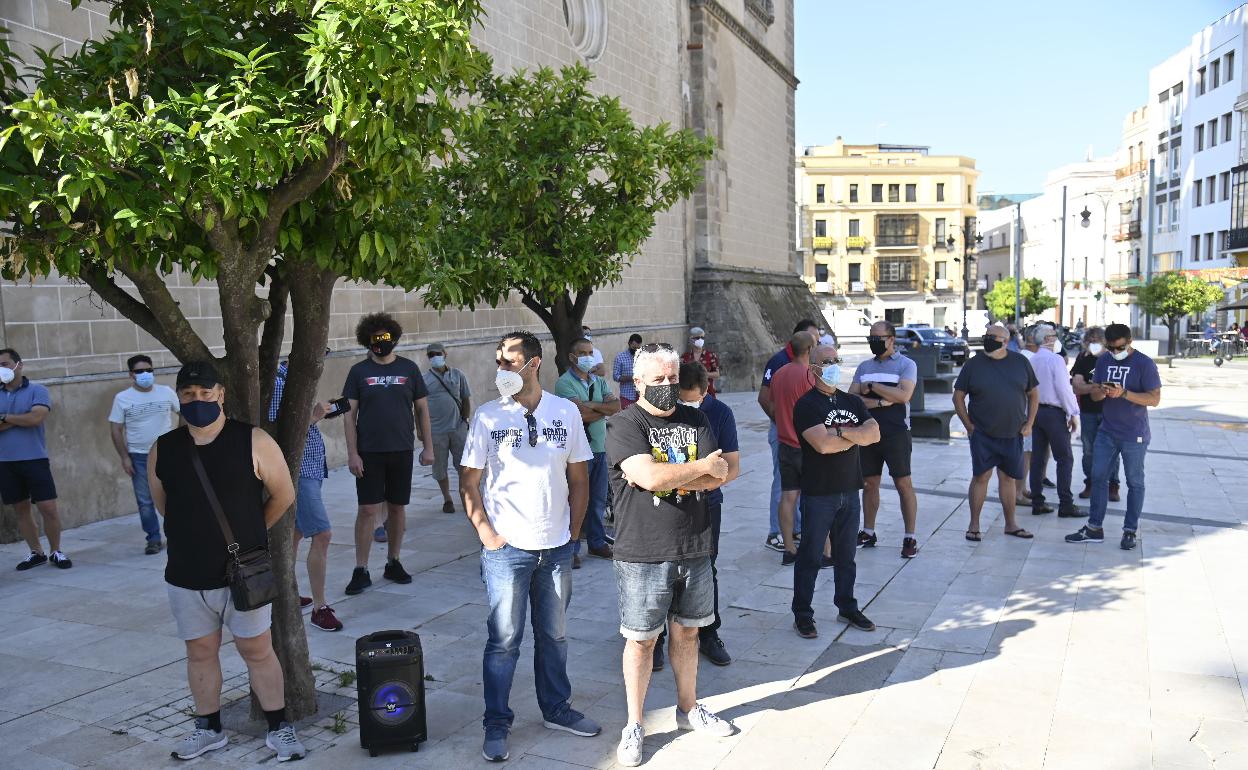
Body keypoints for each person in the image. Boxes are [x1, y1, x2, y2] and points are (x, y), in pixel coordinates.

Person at [151, 361, 305, 762]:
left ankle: (279, 728)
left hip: (243, 574)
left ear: (220, 394)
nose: (197, 401)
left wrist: (248, 536)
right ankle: (208, 729)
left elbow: (283, 495)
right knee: (199, 653)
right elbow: (164, 504)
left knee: (257, 650)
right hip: (186, 574)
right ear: (179, 398)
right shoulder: (163, 448)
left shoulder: (252, 440)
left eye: (205, 393)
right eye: (188, 395)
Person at [462, 331, 601, 762]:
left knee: (554, 636)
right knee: (503, 640)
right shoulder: (487, 417)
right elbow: (470, 480)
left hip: (556, 548)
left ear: (534, 363)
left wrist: (574, 535)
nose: (501, 368)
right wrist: (487, 533)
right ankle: (497, 722)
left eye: (509, 361)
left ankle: (557, 709)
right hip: (507, 552)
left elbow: (580, 480)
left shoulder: (566, 413)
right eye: (498, 361)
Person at [608, 343, 735, 767]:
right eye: (658, 379)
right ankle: (634, 724)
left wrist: (678, 477)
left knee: (689, 633)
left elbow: (720, 475)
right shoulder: (625, 424)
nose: (667, 386)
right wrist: (693, 472)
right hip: (643, 551)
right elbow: (645, 474)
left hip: (695, 546)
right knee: (642, 642)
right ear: (638, 381)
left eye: (672, 378)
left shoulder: (696, 418)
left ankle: (688, 708)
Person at [652, 362, 740, 670]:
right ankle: (656, 640)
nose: (687, 407)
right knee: (660, 571)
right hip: (664, 503)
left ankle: (709, 632)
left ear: (706, 392)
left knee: (705, 568)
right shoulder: (662, 412)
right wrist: (697, 473)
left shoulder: (720, 413)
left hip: (707, 504)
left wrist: (680, 480)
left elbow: (731, 467)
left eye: (693, 401)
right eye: (681, 401)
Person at [341, 313, 434, 595]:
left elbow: (422, 410)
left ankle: (394, 561)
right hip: (369, 452)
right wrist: (352, 453)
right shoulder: (358, 372)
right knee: (368, 509)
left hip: (402, 449)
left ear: (393, 338)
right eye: (375, 339)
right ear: (367, 341)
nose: (381, 343)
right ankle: (361, 568)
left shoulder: (409, 369)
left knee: (396, 507)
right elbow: (349, 416)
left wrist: (428, 446)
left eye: (386, 338)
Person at [792, 343, 879, 639]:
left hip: (849, 490)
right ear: (813, 368)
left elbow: (874, 434)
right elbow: (822, 445)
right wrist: (855, 436)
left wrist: (839, 432)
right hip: (819, 493)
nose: (833, 365)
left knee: (847, 556)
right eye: (827, 361)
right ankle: (803, 613)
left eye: (836, 360)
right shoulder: (806, 405)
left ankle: (847, 605)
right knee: (811, 556)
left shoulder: (852, 401)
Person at [1066, 324, 1162, 550]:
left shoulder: (1144, 363)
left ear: (1129, 342)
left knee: (1134, 482)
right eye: (1110, 347)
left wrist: (1125, 393)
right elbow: (1097, 397)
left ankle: (1129, 531)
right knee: (1098, 477)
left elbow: (1154, 399)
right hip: (1107, 432)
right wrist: (1102, 391)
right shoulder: (1104, 360)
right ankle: (1094, 528)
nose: (1114, 351)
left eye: (1118, 347)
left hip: (1134, 434)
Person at [268, 358, 343, 632]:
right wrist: (314, 416)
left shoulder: (293, 383)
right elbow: (281, 432)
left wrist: (316, 415)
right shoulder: (280, 385)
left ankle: (286, 596)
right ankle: (320, 608)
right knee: (322, 534)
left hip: (309, 467)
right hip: (298, 470)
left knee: (296, 533)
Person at [953, 324, 1039, 542]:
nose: (988, 339)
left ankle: (1011, 524)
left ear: (1005, 340)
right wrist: (969, 426)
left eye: (993, 337)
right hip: (982, 433)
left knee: (1008, 478)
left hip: (1013, 432)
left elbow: (1034, 394)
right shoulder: (974, 364)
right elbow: (958, 397)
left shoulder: (1020, 362)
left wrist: (1029, 423)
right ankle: (974, 525)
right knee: (981, 477)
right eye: (987, 336)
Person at [849, 322, 920, 558]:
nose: (874, 341)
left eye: (878, 337)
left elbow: (904, 395)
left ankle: (910, 537)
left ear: (891, 339)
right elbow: (852, 399)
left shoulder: (906, 364)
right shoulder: (864, 366)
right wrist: (881, 400)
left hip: (896, 433)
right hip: (868, 432)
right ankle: (868, 532)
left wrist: (872, 386)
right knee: (869, 484)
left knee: (903, 484)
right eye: (871, 337)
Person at [2, 349, 71, 571]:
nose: (1, 369)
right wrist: (22, 418)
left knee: (48, 507)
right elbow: (29, 417)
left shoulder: (37, 390)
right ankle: (36, 553)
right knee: (21, 509)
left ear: (19, 365)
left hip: (34, 458)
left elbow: (36, 418)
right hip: (5, 462)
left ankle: (56, 551)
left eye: (4, 363)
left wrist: (5, 418)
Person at [770, 332, 832, 566]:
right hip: (808, 446)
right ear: (808, 350)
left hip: (785, 444)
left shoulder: (779, 374)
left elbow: (773, 405)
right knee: (818, 499)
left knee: (788, 498)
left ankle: (789, 550)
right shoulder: (809, 375)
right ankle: (825, 552)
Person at [555, 337, 618, 566]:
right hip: (578, 452)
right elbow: (577, 415)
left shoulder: (598, 382)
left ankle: (597, 542)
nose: (588, 357)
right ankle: (570, 547)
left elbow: (616, 406)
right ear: (573, 357)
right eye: (583, 353)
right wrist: (600, 410)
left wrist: (590, 406)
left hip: (600, 448)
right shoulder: (564, 384)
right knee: (575, 499)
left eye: (590, 352)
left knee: (598, 500)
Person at [758, 319, 819, 551]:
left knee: (790, 488)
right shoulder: (782, 364)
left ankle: (795, 530)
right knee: (784, 485)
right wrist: (782, 421)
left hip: (791, 436)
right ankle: (777, 533)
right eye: (815, 342)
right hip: (790, 436)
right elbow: (764, 399)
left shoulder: (788, 370)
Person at [108, 354, 179, 554]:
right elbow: (115, 429)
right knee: (145, 502)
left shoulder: (166, 392)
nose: (145, 374)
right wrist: (124, 457)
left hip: (168, 454)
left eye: (149, 370)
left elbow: (182, 413)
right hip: (139, 457)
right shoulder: (122, 399)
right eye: (139, 371)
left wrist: (180, 442)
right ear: (131, 374)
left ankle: (178, 535)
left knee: (175, 496)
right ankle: (154, 539)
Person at [1024, 325, 1081, 517]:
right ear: (1048, 339)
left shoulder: (1032, 360)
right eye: (1055, 336)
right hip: (1053, 413)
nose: (1057, 339)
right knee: (1064, 458)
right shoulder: (1055, 360)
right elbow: (1064, 389)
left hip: (1036, 412)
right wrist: (1072, 413)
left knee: (1038, 459)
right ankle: (1066, 503)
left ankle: (1038, 502)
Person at [1069, 328, 1121, 502]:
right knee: (1089, 450)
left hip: (1111, 412)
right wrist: (1101, 387)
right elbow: (1077, 387)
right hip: (1089, 411)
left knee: (1112, 450)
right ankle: (1090, 483)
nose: (1094, 342)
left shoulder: (1114, 359)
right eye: (1090, 339)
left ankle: (1113, 485)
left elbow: (1118, 387)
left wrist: (1090, 386)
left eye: (1097, 338)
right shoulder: (1083, 359)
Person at [422, 342, 471, 514]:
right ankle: (447, 499)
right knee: (440, 467)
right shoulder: (424, 379)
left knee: (463, 466)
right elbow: (418, 407)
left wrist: (465, 420)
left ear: (444, 353)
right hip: (436, 431)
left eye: (437, 353)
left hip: (458, 428)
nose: (435, 356)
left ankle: (464, 496)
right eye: (431, 354)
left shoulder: (458, 375)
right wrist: (421, 431)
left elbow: (465, 398)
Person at [681, 326, 720, 396]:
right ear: (691, 339)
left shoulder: (710, 355)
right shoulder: (685, 357)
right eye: (697, 338)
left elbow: (717, 374)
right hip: (690, 394)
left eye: (702, 338)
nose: (700, 340)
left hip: (708, 392)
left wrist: (703, 374)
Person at [614, 334, 643, 409]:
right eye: (634, 347)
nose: (636, 350)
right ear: (629, 344)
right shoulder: (620, 357)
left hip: (642, 396)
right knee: (628, 419)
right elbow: (616, 376)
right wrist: (630, 378)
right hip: (627, 396)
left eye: (638, 348)